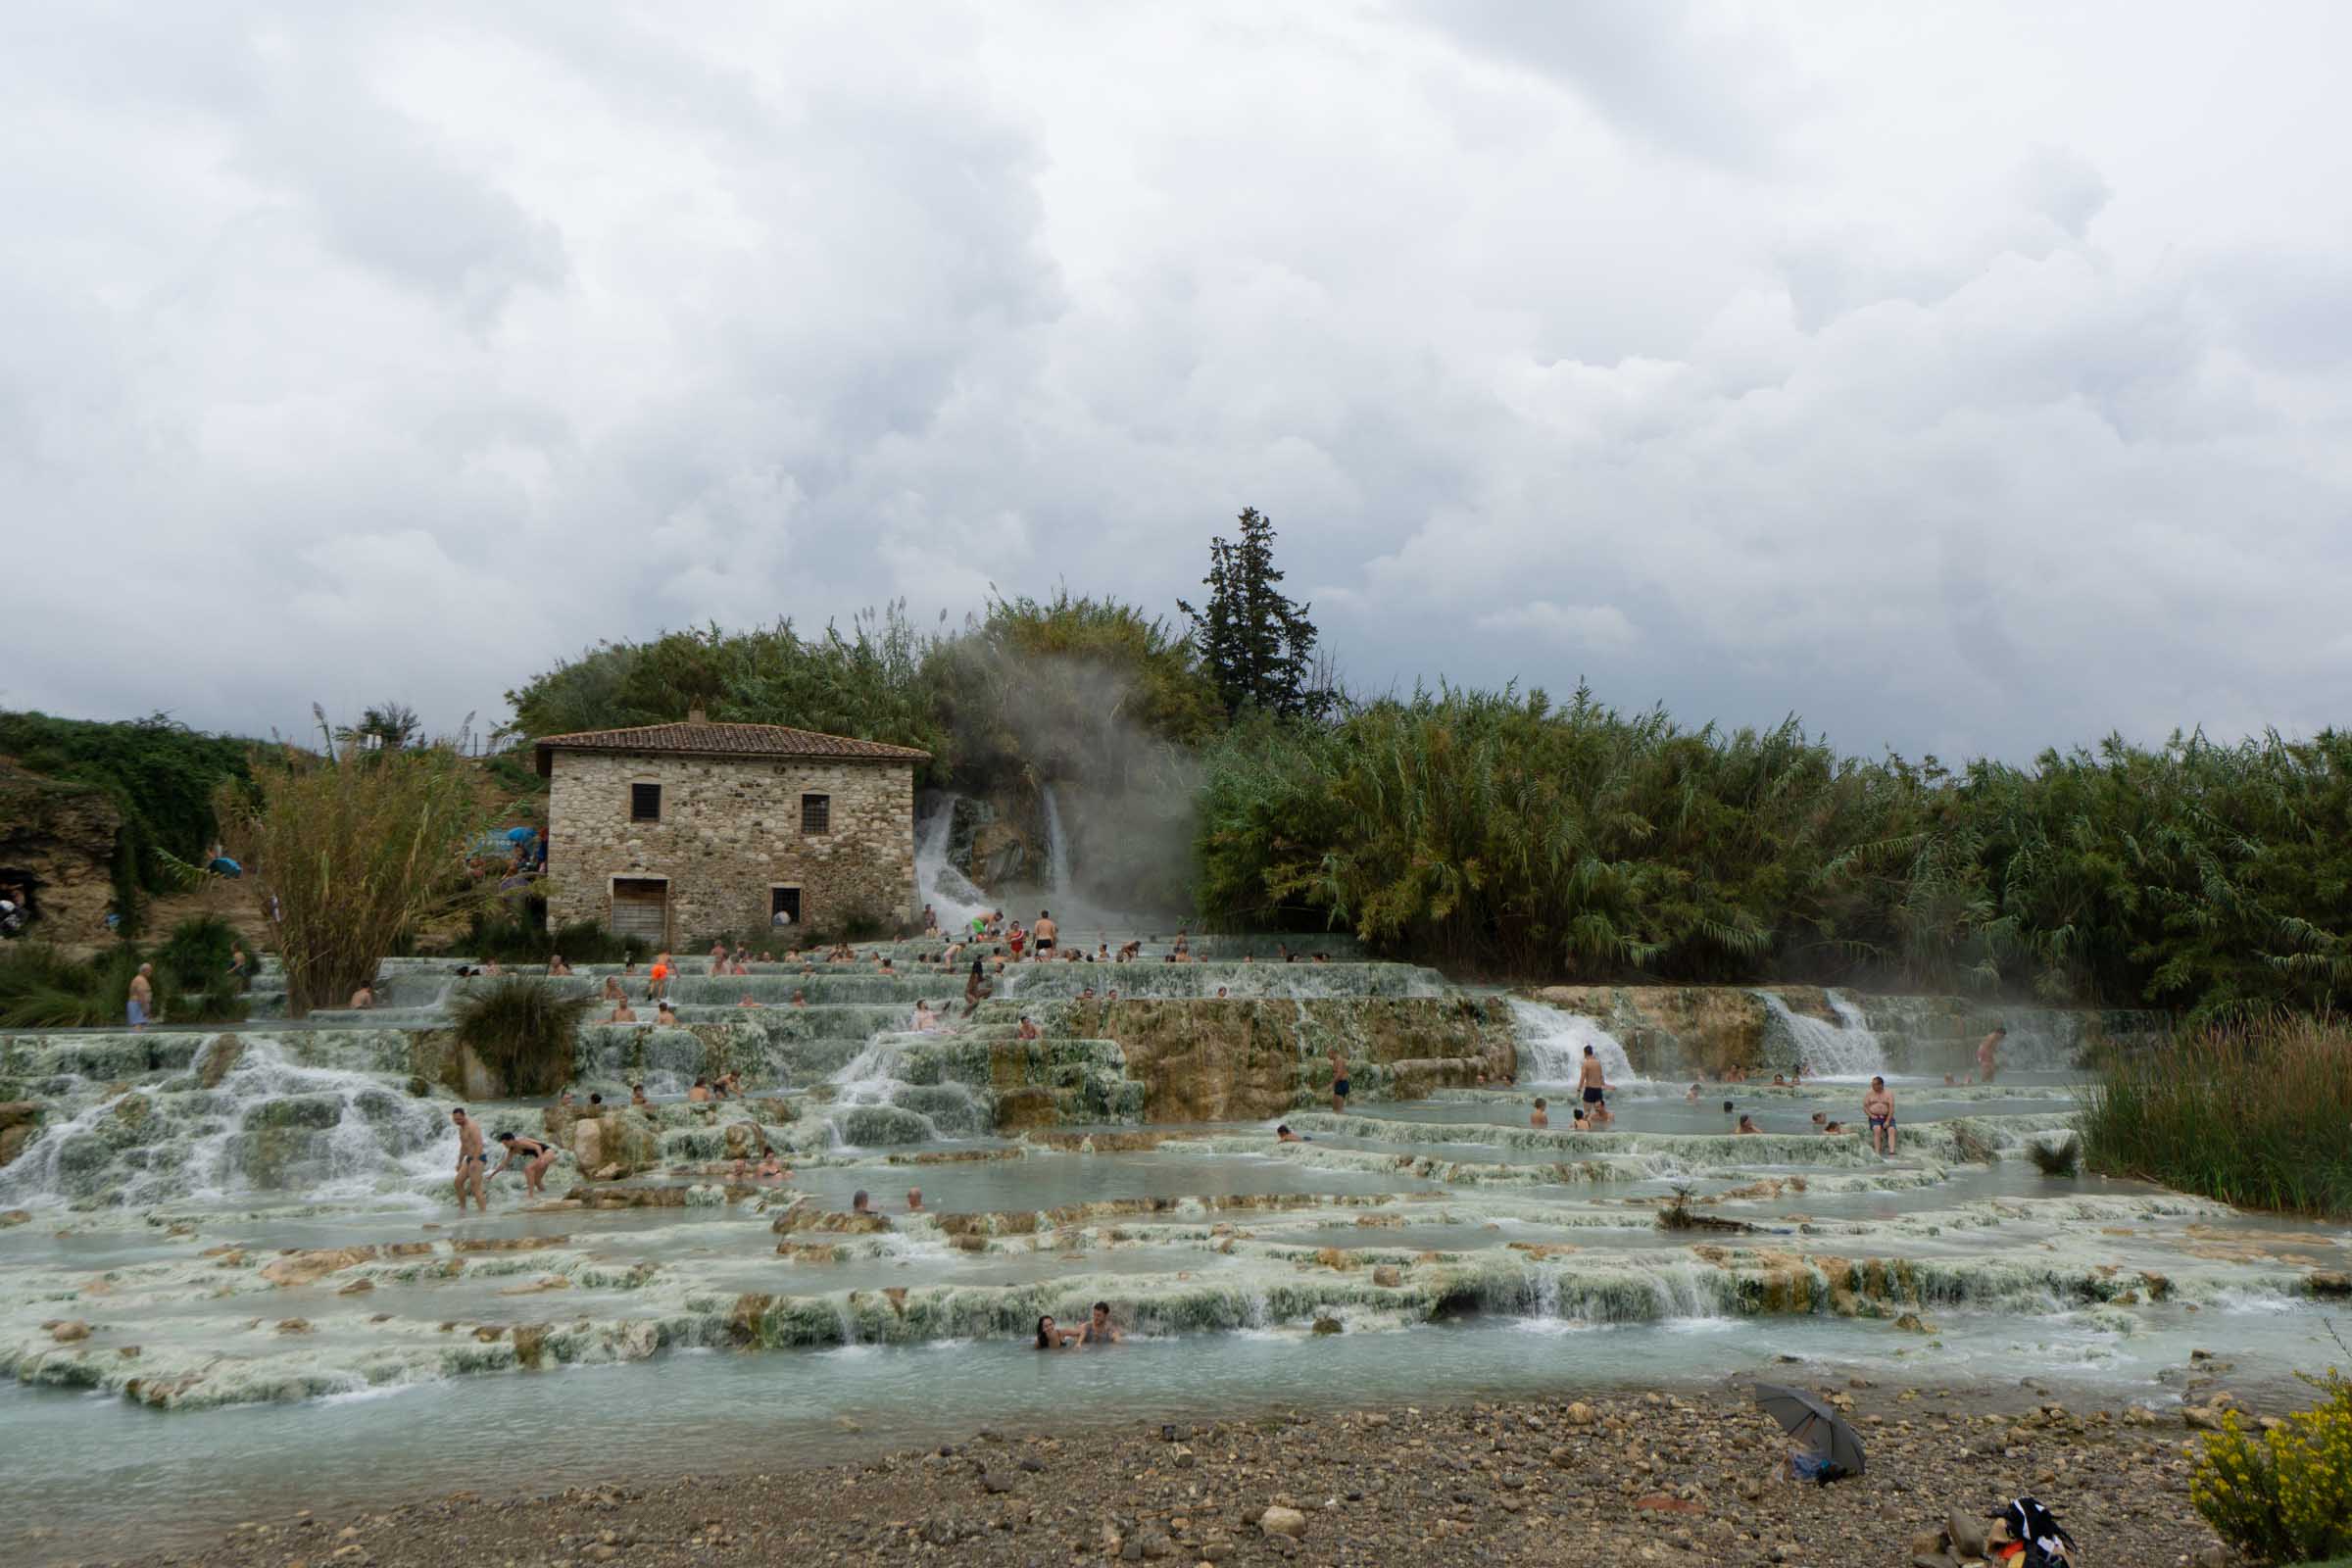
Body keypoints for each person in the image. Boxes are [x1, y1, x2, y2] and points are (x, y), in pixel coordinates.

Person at [492, 1131, 559, 1197]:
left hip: (548, 1153)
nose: (505, 1145)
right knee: (537, 1181)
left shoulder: (520, 1142)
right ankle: (547, 1195)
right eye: (504, 1144)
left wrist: (541, 1160)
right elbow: (503, 1164)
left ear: (511, 1140)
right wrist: (492, 1175)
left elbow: (537, 1147)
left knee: (528, 1169)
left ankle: (530, 1196)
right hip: (543, 1156)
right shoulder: (512, 1150)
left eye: (506, 1143)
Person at [451, 1108, 488, 1211]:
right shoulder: (461, 1129)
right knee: (458, 1183)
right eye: (455, 1120)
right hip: (469, 1158)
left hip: (479, 1158)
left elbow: (479, 1144)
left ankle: (483, 1213)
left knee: (475, 1187)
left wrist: (475, 1161)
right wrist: (459, 1162)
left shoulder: (472, 1127)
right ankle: (463, 1209)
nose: (457, 1121)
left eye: (459, 1119)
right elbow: (463, 1147)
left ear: (464, 1116)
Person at [1863, 1075, 1897, 1155]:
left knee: (1892, 1130)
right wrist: (1871, 1115)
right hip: (1875, 1117)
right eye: (1872, 1084)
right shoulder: (1869, 1093)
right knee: (1877, 1129)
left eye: (1874, 1084)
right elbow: (1865, 1107)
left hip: (1887, 1117)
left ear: (1881, 1085)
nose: (1872, 1086)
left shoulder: (1889, 1094)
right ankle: (1877, 1152)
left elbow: (1891, 1108)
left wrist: (1888, 1121)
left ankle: (1892, 1152)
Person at [1578, 1044, 1610, 1119]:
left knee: (1586, 1113)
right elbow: (1601, 1077)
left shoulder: (1585, 1064)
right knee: (1599, 1113)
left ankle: (1586, 1128)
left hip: (1589, 1089)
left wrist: (1579, 1089)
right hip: (1598, 1090)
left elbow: (1582, 1078)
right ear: (1592, 1052)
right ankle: (1600, 1128)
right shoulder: (1598, 1063)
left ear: (1585, 1053)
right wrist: (1604, 1085)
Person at [126, 962, 154, 1032]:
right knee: (138, 1026)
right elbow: (141, 994)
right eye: (149, 970)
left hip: (139, 1004)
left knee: (140, 1026)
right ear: (144, 971)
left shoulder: (141, 979)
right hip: (138, 1005)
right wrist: (145, 1008)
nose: (151, 972)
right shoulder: (140, 980)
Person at [1328, 1047, 1350, 1114]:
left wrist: (1332, 1083)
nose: (1328, 1056)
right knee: (1334, 1107)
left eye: (1328, 1054)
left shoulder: (1339, 1060)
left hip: (1342, 1083)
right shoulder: (1336, 1060)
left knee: (1339, 1108)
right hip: (1339, 1083)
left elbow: (1339, 1073)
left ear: (1333, 1053)